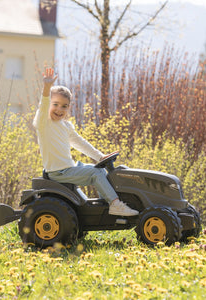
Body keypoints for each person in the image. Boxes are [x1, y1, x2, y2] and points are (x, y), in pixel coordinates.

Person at [33, 67, 139, 216]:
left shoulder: (66, 126)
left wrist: (100, 157)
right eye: (55, 104)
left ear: (68, 108)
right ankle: (115, 204)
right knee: (95, 174)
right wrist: (47, 87)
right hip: (58, 172)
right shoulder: (44, 123)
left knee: (100, 170)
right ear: (49, 104)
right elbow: (42, 107)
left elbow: (80, 143)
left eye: (64, 106)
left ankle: (107, 204)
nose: (59, 109)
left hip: (69, 168)